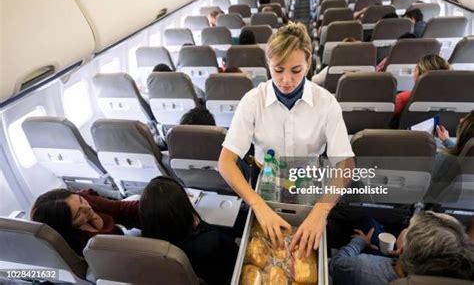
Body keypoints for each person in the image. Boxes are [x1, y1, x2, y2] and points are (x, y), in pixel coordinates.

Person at [218, 22, 355, 257]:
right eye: (278, 70)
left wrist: (320, 211)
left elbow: (346, 165)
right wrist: (258, 206)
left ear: (309, 63)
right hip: (265, 179)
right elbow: (226, 162)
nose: (286, 80)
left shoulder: (326, 103)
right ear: (268, 64)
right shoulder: (253, 101)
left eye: (296, 70)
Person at [140, 176, 238, 285]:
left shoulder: (148, 252)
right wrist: (200, 224)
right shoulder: (212, 240)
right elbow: (236, 254)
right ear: (183, 210)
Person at [330, 211, 474, 285]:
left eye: (409, 228)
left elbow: (335, 264)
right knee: (370, 224)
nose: (406, 228)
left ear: (403, 250)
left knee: (367, 222)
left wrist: (360, 242)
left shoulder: (361, 268)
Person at [31, 189, 140, 256]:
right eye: (78, 214)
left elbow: (118, 208)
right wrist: (98, 221)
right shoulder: (86, 243)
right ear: (69, 226)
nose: (87, 207)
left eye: (81, 200)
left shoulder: (79, 200)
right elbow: (118, 240)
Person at [425, 111, 474, 202]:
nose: (461, 120)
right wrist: (447, 141)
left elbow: (427, 190)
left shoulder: (444, 160)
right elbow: (466, 154)